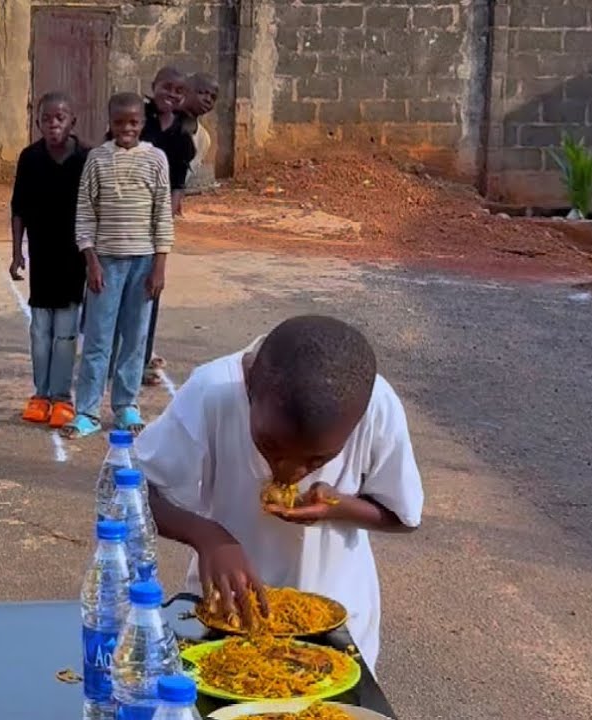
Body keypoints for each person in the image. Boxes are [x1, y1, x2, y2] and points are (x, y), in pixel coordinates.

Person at [134, 315, 424, 671]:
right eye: (271, 445)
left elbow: (404, 515)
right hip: (225, 619)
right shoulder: (213, 392)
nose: (287, 472)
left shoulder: (376, 404)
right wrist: (206, 536)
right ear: (250, 387)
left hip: (336, 636)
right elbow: (130, 490)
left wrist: (338, 506)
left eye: (318, 460)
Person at [64, 92, 173, 439]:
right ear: (109, 123)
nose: (127, 128)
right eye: (119, 123)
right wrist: (90, 259)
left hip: (143, 264)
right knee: (98, 339)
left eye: (134, 123)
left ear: (142, 123)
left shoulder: (156, 159)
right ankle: (87, 410)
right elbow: (85, 212)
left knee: (135, 337)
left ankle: (126, 406)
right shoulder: (97, 159)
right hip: (106, 264)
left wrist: (159, 264)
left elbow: (162, 215)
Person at [10, 92, 90, 428]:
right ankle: (40, 394)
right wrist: (17, 252)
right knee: (40, 330)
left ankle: (61, 396)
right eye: (47, 118)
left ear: (72, 121)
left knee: (67, 333)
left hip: (74, 258)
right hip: (42, 256)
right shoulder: (30, 158)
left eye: (60, 117)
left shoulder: (87, 158)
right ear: (38, 122)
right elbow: (19, 209)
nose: (53, 124)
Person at [137, 66, 196, 388]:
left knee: (150, 288)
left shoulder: (182, 137)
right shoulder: (138, 119)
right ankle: (116, 353)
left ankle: (143, 357)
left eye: (178, 91)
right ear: (153, 86)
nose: (171, 95)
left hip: (154, 222)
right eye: (166, 88)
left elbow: (178, 184)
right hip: (126, 215)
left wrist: (167, 215)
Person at [181, 73, 220, 193]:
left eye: (213, 97)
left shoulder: (203, 140)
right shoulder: (157, 125)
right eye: (202, 92)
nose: (208, 99)